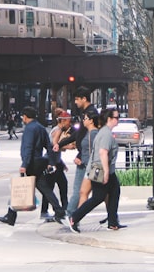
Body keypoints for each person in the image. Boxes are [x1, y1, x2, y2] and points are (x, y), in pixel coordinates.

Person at [0, 107, 65, 227]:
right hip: (39, 162)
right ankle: (59, 211)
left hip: (31, 163)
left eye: (23, 116)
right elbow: (48, 146)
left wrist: (24, 165)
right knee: (44, 188)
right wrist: (51, 162)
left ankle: (11, 216)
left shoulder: (29, 129)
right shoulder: (40, 127)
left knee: (18, 189)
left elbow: (28, 148)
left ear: (25, 116)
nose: (22, 118)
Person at [68, 108, 123, 232]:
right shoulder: (105, 134)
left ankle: (113, 222)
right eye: (116, 118)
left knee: (115, 191)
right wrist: (106, 172)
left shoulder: (104, 132)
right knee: (98, 197)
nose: (118, 120)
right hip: (100, 169)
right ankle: (74, 217)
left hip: (102, 169)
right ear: (109, 119)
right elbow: (103, 152)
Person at [56, 87, 92, 216]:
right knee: (100, 191)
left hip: (86, 158)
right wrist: (61, 144)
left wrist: (80, 154)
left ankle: (71, 215)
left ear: (84, 99)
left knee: (80, 190)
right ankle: (112, 218)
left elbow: (86, 137)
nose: (75, 102)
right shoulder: (87, 113)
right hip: (87, 157)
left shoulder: (90, 115)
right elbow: (79, 134)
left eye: (77, 99)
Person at [41, 109, 71, 223]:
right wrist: (67, 147)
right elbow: (54, 145)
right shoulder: (57, 130)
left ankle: (64, 209)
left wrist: (61, 163)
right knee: (50, 188)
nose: (70, 124)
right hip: (51, 163)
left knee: (61, 185)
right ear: (62, 121)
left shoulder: (58, 130)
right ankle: (49, 211)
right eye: (68, 121)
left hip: (56, 163)